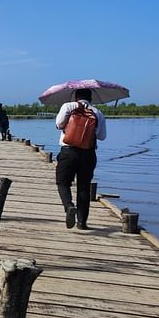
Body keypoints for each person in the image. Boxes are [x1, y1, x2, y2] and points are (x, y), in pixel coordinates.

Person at [55, 89, 106, 230]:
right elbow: (102, 136)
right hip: (88, 154)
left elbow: (59, 124)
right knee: (84, 187)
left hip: (68, 151)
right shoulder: (97, 112)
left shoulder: (68, 106)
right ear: (91, 98)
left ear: (76, 97)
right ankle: (82, 222)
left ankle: (69, 206)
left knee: (62, 182)